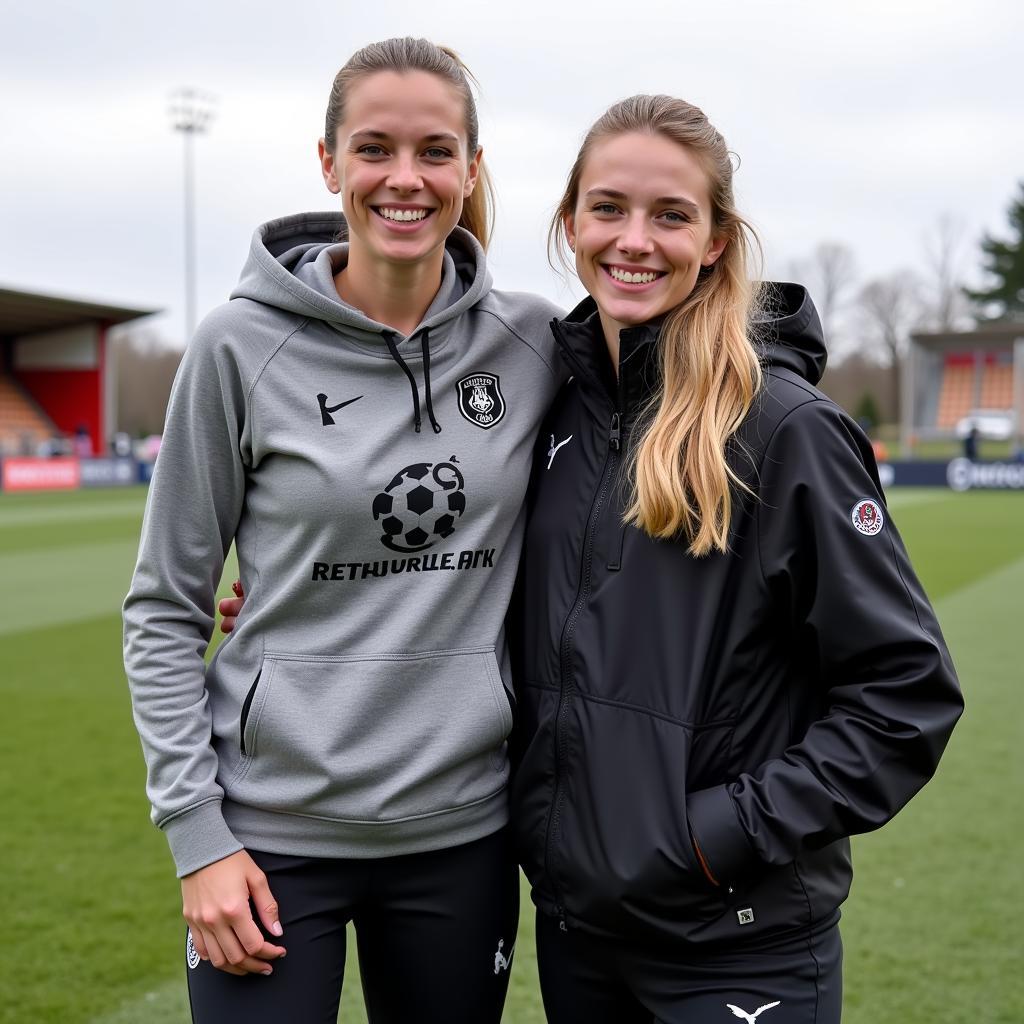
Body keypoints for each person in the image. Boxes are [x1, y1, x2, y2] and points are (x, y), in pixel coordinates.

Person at [122, 37, 566, 1024]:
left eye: (434, 151)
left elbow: (668, 366)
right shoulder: (237, 347)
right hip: (269, 842)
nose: (403, 178)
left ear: (470, 171)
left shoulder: (534, 343)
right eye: (374, 148)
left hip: (461, 837)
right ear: (329, 164)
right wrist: (199, 839)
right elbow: (163, 612)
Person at [508, 95, 963, 1023]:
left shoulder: (786, 429)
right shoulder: (552, 407)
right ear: (569, 223)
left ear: (716, 239)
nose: (634, 239)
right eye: (608, 208)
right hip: (579, 933)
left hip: (734, 946)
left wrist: (713, 839)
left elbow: (905, 696)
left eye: (671, 215)